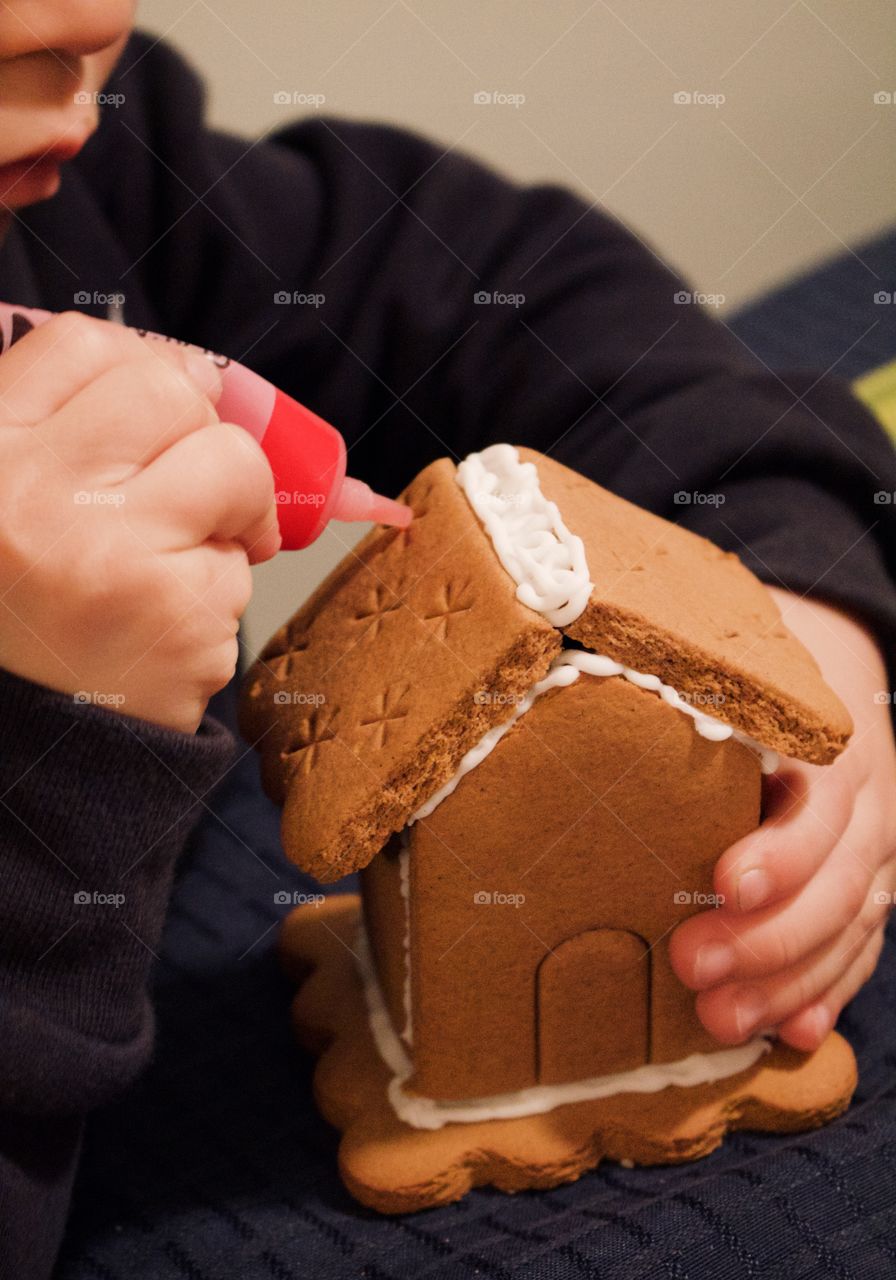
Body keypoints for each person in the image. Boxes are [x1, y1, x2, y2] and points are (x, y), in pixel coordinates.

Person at [1, 4, 894, 1277]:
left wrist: (790, 604)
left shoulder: (93, 176)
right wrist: (51, 755)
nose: (80, 18)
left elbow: (506, 284)